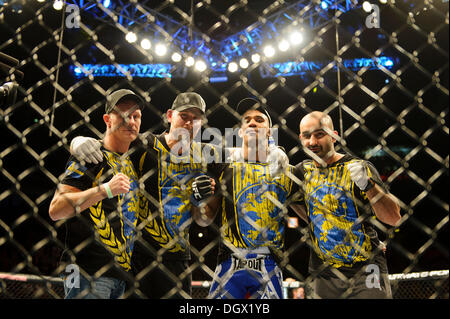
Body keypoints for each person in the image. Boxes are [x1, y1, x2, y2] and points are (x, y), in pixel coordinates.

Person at [193, 98, 303, 299]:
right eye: (247, 120)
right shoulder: (223, 165)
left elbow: (308, 215)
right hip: (229, 260)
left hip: (270, 261)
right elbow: (203, 219)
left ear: (269, 131)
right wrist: (200, 200)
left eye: (259, 119)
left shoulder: (285, 172)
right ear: (240, 130)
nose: (253, 123)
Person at [290, 111, 401, 299]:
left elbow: (394, 218)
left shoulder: (358, 167)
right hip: (324, 272)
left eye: (319, 134)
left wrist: (369, 186)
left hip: (366, 267)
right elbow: (305, 211)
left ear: (334, 136)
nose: (313, 142)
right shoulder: (302, 171)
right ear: (301, 138)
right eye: (307, 136)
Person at [49, 89, 145, 299]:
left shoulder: (132, 161)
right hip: (85, 270)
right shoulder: (90, 156)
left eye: (136, 116)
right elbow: (56, 209)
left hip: (122, 276)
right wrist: (104, 190)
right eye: (123, 115)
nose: (131, 121)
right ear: (107, 119)